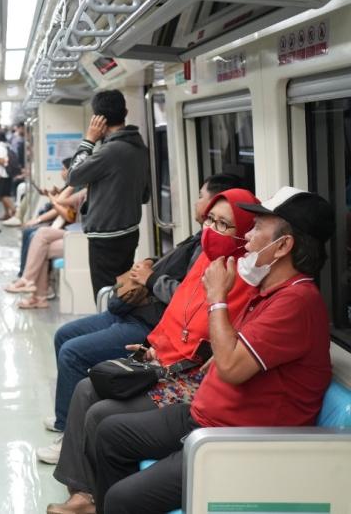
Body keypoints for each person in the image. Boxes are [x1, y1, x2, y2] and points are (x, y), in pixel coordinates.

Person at [94, 187, 335, 514]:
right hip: (205, 419)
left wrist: (217, 297)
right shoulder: (269, 293)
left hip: (236, 444)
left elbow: (233, 367)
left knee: (121, 500)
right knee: (109, 433)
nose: (247, 236)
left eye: (258, 228)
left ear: (284, 246)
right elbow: (233, 353)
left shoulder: (297, 302)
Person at [46, 188, 259, 514]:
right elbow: (176, 312)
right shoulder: (203, 258)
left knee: (101, 413)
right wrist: (152, 346)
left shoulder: (243, 278)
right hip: (163, 358)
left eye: (224, 225)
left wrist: (166, 360)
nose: (211, 230)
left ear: (244, 232)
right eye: (211, 221)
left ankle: (105, 500)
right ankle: (83, 493)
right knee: (88, 387)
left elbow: (214, 338)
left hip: (187, 374)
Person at [42, 174, 244, 437]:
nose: (199, 206)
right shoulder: (198, 240)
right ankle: (65, 419)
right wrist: (149, 263)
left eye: (201, 197)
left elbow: (188, 299)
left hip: (148, 320)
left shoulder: (220, 260)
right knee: (63, 335)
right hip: (134, 312)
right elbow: (176, 272)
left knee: (72, 352)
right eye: (210, 218)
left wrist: (151, 279)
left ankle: (68, 431)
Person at [68, 90, 150, 297]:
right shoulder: (139, 146)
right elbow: (144, 195)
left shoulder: (110, 151)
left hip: (106, 235)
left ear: (98, 119)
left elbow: (73, 176)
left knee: (105, 294)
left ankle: (111, 327)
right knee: (123, 292)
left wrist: (89, 140)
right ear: (126, 112)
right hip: (129, 231)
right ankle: (118, 326)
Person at [10, 189, 87, 309]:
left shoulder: (89, 190)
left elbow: (60, 201)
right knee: (42, 241)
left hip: (85, 238)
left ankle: (30, 284)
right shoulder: (86, 189)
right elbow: (61, 201)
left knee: (41, 238)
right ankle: (37, 295)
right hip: (78, 234)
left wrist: (70, 186)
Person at [0, 133, 16, 220]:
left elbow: (0, 160)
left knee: (2, 195)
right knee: (5, 194)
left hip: (2, 173)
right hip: (8, 173)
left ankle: (14, 211)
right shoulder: (7, 145)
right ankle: (7, 214)